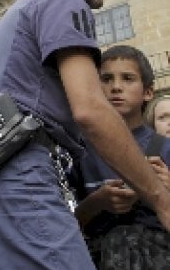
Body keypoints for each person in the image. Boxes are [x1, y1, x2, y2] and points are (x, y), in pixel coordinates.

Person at [0, 0, 170, 269]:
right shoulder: (64, 1)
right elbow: (90, 110)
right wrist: (161, 198)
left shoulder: (14, 15)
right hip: (19, 169)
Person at [72, 45, 170, 268]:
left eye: (127, 79)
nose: (116, 87)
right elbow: (69, 222)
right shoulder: (80, 153)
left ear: (148, 92)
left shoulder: (165, 148)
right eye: (106, 79)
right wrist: (96, 202)